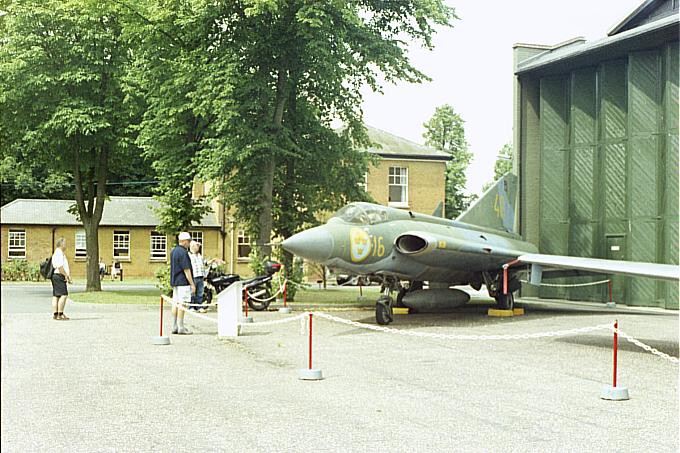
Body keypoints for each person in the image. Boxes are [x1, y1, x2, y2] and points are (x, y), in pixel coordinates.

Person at [170, 232, 196, 334]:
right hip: (183, 282)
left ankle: (174, 326)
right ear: (184, 241)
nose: (189, 244)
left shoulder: (174, 251)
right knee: (182, 304)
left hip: (175, 281)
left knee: (175, 303)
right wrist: (192, 284)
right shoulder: (183, 253)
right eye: (188, 241)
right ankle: (181, 327)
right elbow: (186, 269)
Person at [51, 237, 72, 320]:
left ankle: (55, 314)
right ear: (61, 244)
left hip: (55, 276)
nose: (66, 245)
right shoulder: (59, 253)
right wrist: (66, 276)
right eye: (64, 243)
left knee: (56, 295)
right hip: (59, 275)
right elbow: (60, 267)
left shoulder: (57, 253)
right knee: (64, 295)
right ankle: (60, 314)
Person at [189, 241, 207, 313]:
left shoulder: (199, 255)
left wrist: (212, 261)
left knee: (200, 292)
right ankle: (191, 306)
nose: (198, 247)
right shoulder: (189, 255)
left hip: (200, 276)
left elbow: (204, 263)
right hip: (194, 276)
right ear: (193, 247)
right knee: (193, 292)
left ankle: (199, 306)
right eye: (197, 246)